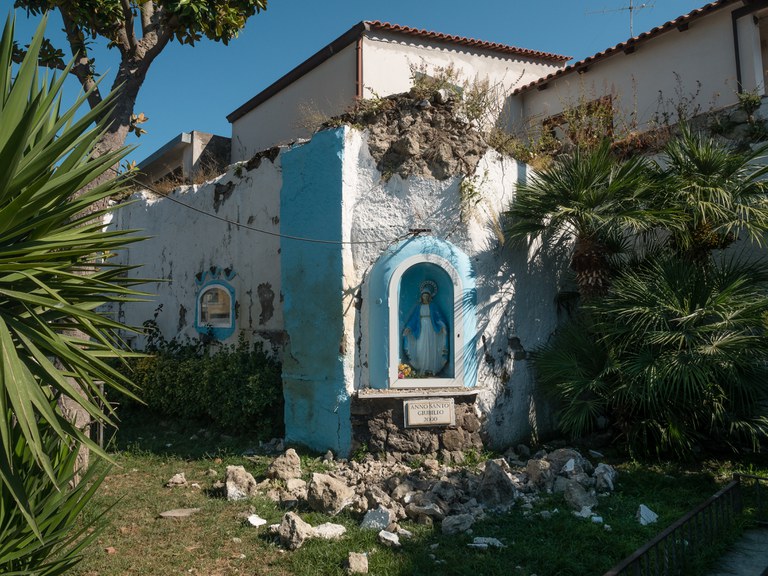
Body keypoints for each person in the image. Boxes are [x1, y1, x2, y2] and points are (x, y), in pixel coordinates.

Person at [402, 280, 449, 376]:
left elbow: (438, 317)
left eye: (427, 296)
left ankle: (431, 368)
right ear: (421, 297)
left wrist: (442, 326)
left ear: (430, 297)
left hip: (432, 329)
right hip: (421, 329)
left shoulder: (433, 306)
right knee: (421, 347)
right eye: (424, 296)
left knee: (432, 347)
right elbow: (414, 319)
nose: (425, 297)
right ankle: (422, 367)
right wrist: (409, 328)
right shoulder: (418, 307)